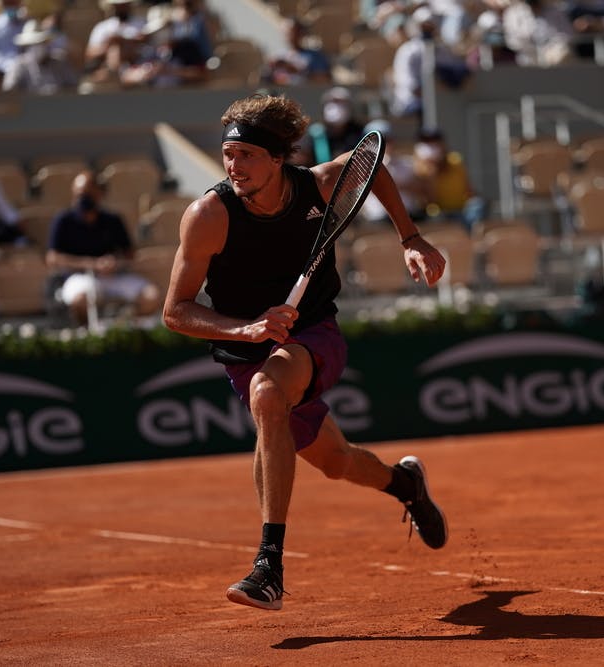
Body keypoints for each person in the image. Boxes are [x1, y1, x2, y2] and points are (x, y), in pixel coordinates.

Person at [161, 94, 450, 611]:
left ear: (278, 159)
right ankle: (406, 484)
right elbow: (176, 311)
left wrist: (410, 236)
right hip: (248, 347)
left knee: (268, 395)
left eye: (247, 155)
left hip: (314, 333)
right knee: (337, 462)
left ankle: (268, 566)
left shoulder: (317, 185)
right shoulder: (209, 215)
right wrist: (247, 329)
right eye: (229, 154)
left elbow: (373, 166)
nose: (234, 165)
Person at [45, 169, 160, 325]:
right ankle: (88, 338)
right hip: (79, 277)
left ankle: (121, 328)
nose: (82, 199)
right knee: (81, 301)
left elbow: (129, 254)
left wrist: (113, 262)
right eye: (79, 194)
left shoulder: (113, 220)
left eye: (87, 193)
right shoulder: (63, 220)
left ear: (100, 193)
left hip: (113, 276)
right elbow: (53, 258)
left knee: (151, 297)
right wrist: (92, 264)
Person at [390, 6, 470, 118]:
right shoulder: (407, 50)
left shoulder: (442, 50)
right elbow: (410, 85)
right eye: (424, 26)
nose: (427, 29)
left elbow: (458, 71)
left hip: (440, 105)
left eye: (430, 26)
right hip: (412, 105)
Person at [412, 127, 484, 229]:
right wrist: (431, 171)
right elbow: (427, 199)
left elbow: (468, 189)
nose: (431, 146)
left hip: (460, 209)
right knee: (436, 218)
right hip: (436, 213)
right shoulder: (415, 167)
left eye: (435, 141)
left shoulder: (454, 160)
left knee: (477, 206)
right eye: (427, 142)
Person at [3, 17, 79, 94]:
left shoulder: (59, 62)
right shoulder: (18, 65)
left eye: (40, 43)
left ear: (46, 44)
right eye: (31, 45)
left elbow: (74, 87)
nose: (36, 47)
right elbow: (9, 92)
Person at [299, 86, 366, 166]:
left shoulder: (360, 132)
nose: (336, 107)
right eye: (333, 102)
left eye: (342, 103)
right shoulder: (316, 134)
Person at [84, 0, 146, 83]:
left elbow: (146, 41)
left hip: (138, 63)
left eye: (124, 5)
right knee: (115, 49)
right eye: (119, 5)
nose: (122, 7)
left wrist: (124, 41)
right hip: (108, 66)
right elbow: (90, 54)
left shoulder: (141, 23)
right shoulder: (102, 27)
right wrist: (108, 44)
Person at [262, 17, 331, 88]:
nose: (290, 36)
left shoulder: (314, 56)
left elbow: (324, 80)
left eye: (293, 32)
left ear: (301, 33)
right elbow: (266, 81)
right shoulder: (277, 56)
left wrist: (298, 71)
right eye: (286, 32)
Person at [501, 0, 574, 67]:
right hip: (527, 59)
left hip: (554, 60)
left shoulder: (554, 11)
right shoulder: (513, 13)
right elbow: (512, 40)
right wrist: (531, 46)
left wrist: (551, 49)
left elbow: (567, 34)